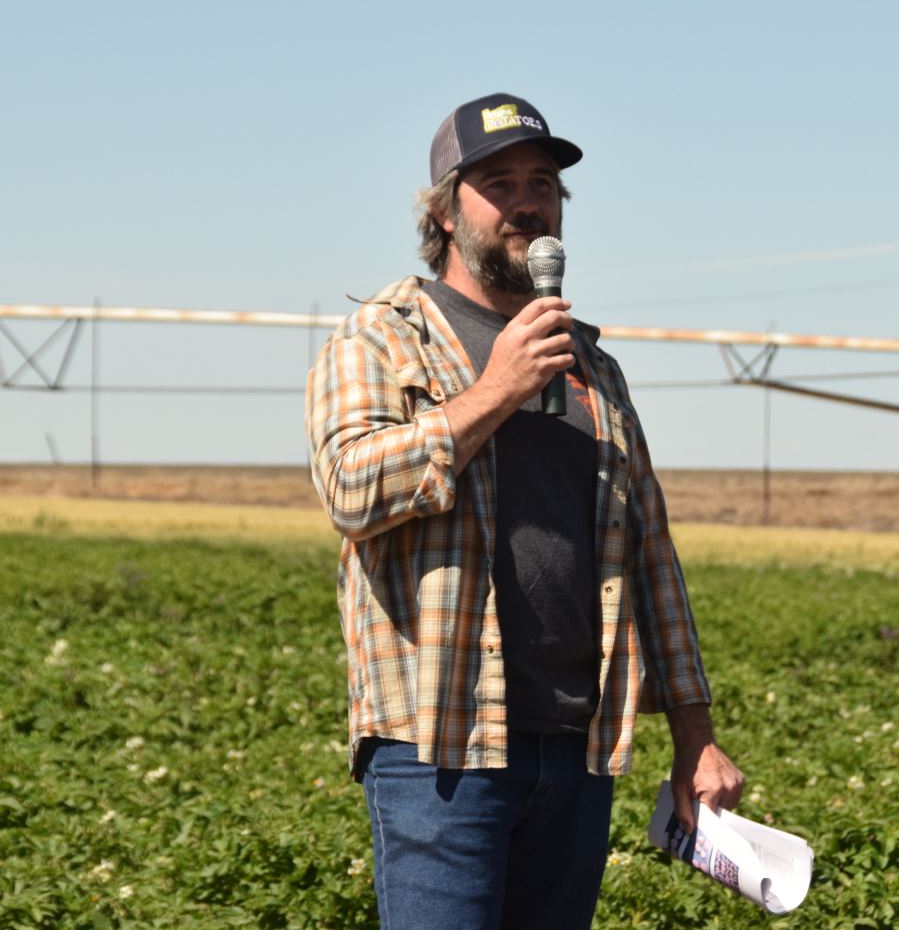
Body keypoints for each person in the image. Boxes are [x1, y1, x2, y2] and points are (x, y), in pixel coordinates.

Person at [305, 92, 743, 930]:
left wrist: (696, 734)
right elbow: (350, 491)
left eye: (542, 182)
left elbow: (650, 557)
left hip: (577, 750)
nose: (526, 201)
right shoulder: (381, 338)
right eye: (497, 181)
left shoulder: (591, 367)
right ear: (443, 213)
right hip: (441, 748)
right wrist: (496, 390)